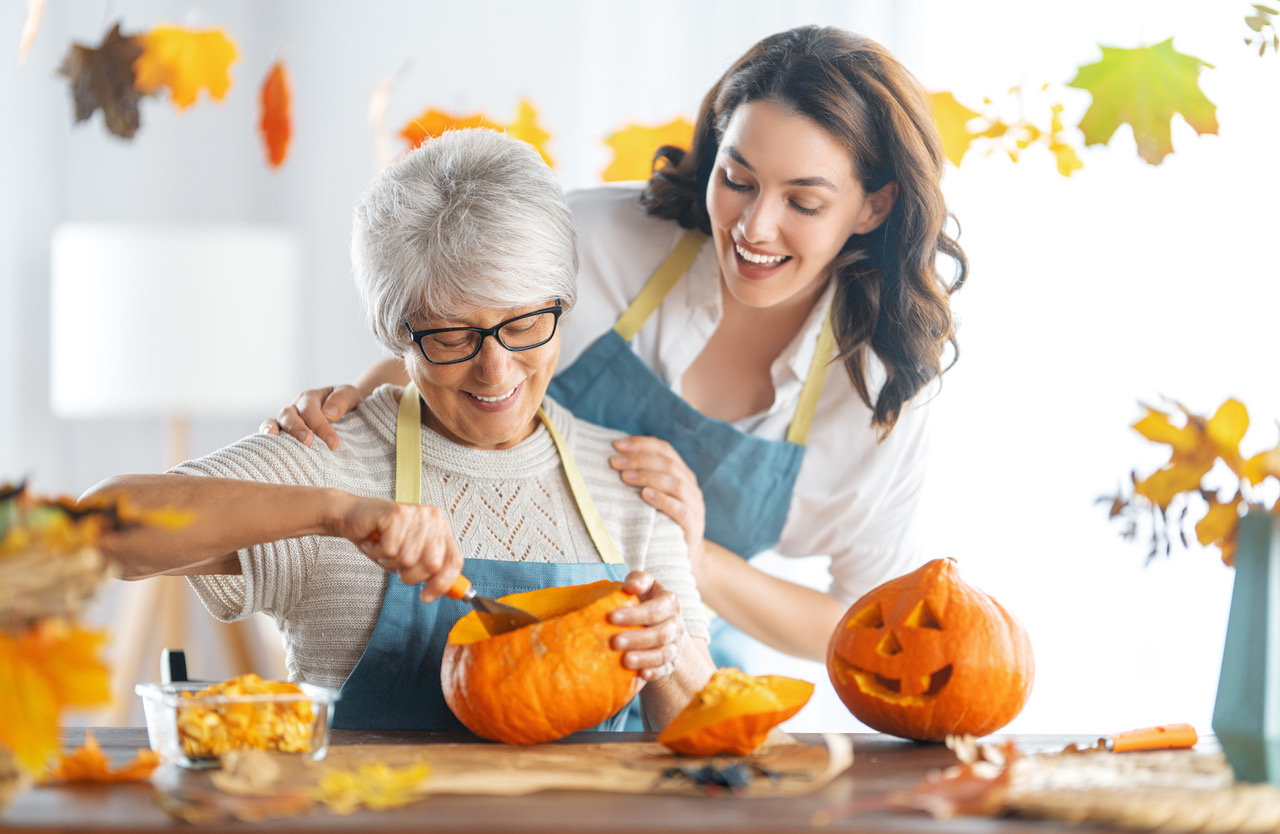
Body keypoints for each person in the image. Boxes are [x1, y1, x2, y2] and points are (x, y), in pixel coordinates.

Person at [264, 25, 967, 671]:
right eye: (737, 179)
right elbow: (452, 355)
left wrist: (693, 557)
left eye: (803, 202)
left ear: (874, 205)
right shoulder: (597, 239)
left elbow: (861, 624)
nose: (754, 226)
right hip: (465, 605)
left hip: (672, 648)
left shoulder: (878, 387)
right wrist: (353, 407)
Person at [82, 128, 713, 733]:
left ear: (562, 306)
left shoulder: (631, 478)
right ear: (397, 336)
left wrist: (669, 649)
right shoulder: (331, 456)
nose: (495, 369)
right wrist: (334, 514)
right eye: (451, 335)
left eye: (522, 324)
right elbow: (97, 530)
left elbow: (700, 721)